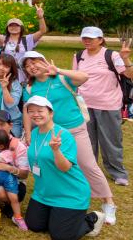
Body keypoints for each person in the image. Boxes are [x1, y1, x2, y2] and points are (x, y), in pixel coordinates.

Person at [21, 51, 117, 225]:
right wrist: (28, 133)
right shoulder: (29, 88)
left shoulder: (62, 79)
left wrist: (58, 70)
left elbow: (84, 77)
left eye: (34, 62)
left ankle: (108, 202)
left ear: (43, 61)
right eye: (27, 66)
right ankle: (57, 197)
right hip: (48, 133)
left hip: (74, 130)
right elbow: (27, 111)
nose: (31, 67)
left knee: (87, 164)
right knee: (51, 165)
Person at [23, 95, 106, 240]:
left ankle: (92, 219)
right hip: (43, 193)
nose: (35, 114)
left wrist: (56, 150)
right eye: (31, 111)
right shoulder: (35, 133)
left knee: (62, 237)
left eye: (40, 111)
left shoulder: (64, 136)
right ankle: (58, 218)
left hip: (69, 194)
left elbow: (65, 167)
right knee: (34, 225)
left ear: (51, 113)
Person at [73, 26, 131, 186]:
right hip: (84, 106)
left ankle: (118, 172)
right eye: (84, 37)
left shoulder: (111, 55)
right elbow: (75, 79)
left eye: (91, 38)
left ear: (100, 39)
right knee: (87, 141)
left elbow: (130, 75)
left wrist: (126, 59)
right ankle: (88, 171)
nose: (87, 41)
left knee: (110, 141)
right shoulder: (78, 56)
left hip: (108, 105)